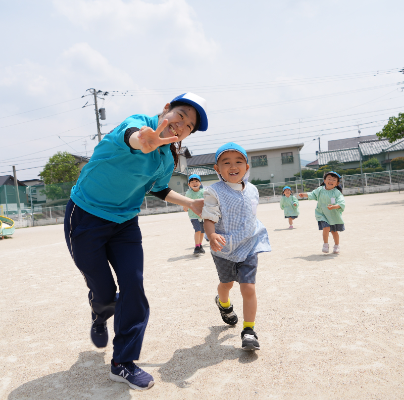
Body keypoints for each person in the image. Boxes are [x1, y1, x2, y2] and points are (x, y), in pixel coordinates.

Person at [64, 93, 208, 391]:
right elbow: (134, 138)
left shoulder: (166, 158)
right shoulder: (136, 125)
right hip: (86, 215)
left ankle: (123, 363)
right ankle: (100, 310)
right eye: (180, 116)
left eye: (189, 126)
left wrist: (191, 204)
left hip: (125, 225)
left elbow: (157, 190)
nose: (181, 125)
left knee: (134, 285)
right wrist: (144, 141)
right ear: (166, 109)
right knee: (104, 292)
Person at [202, 142, 271, 351]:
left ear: (247, 166)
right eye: (226, 162)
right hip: (224, 247)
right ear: (217, 169)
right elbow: (209, 216)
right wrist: (211, 234)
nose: (233, 166)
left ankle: (249, 330)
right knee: (227, 284)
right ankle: (223, 303)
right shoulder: (214, 191)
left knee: (248, 288)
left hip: (249, 245)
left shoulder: (253, 190)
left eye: (238, 161)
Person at [298, 171, 345, 254]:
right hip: (321, 213)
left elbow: (341, 202)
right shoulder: (320, 190)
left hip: (333, 215)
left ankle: (337, 245)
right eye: (329, 179)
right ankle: (325, 244)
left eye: (334, 180)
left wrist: (334, 206)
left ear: (337, 183)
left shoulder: (337, 192)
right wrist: (304, 195)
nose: (331, 181)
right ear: (324, 180)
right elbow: (313, 194)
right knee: (326, 228)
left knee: (334, 231)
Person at [182, 174, 206, 256]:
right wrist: (185, 207)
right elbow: (186, 203)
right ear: (189, 184)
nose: (194, 183)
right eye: (192, 182)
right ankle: (196, 247)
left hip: (203, 215)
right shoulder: (188, 193)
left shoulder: (204, 192)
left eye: (196, 181)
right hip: (193, 215)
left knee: (202, 231)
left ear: (200, 183)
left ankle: (200, 245)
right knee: (198, 230)